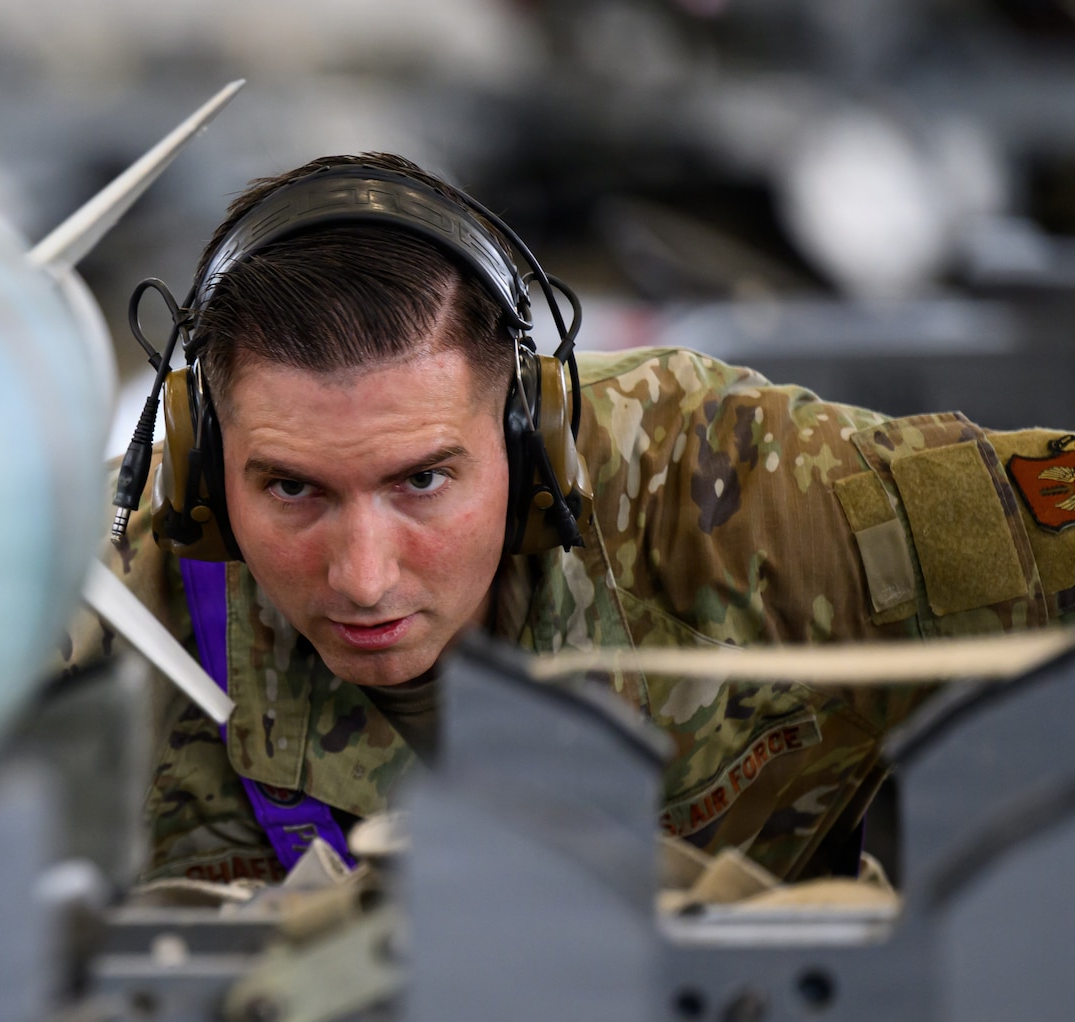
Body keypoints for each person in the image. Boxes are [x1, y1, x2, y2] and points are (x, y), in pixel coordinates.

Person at [66, 151, 1075, 886]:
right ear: (201, 468)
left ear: (528, 438)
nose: (363, 576)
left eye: (421, 481)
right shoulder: (103, 581)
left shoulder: (730, 490)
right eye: (291, 489)